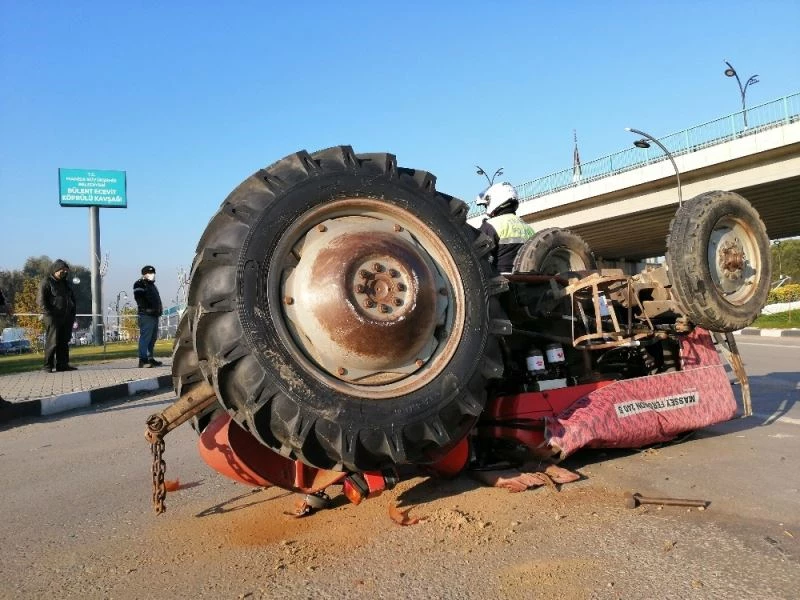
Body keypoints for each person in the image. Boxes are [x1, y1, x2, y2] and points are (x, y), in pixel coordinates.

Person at [476, 182, 536, 273]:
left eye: (486, 205)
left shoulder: (490, 225)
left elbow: (476, 256)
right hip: (527, 281)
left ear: (496, 200)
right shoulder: (527, 227)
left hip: (503, 281)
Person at [38, 259, 77, 372]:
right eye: (62, 270)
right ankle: (47, 366)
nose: (64, 273)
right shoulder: (46, 282)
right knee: (53, 342)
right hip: (52, 317)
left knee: (64, 341)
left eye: (66, 271)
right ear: (55, 270)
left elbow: (72, 299)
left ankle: (62, 364)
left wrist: (72, 314)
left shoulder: (66, 284)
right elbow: (41, 301)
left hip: (66, 317)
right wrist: (49, 313)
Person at [133, 265, 163, 368]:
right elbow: (139, 299)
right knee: (145, 337)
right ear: (144, 274)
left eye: (153, 273)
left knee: (152, 338)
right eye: (150, 273)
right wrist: (147, 309)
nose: (152, 275)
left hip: (154, 315)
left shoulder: (152, 285)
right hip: (146, 315)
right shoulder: (139, 284)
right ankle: (143, 359)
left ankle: (150, 358)